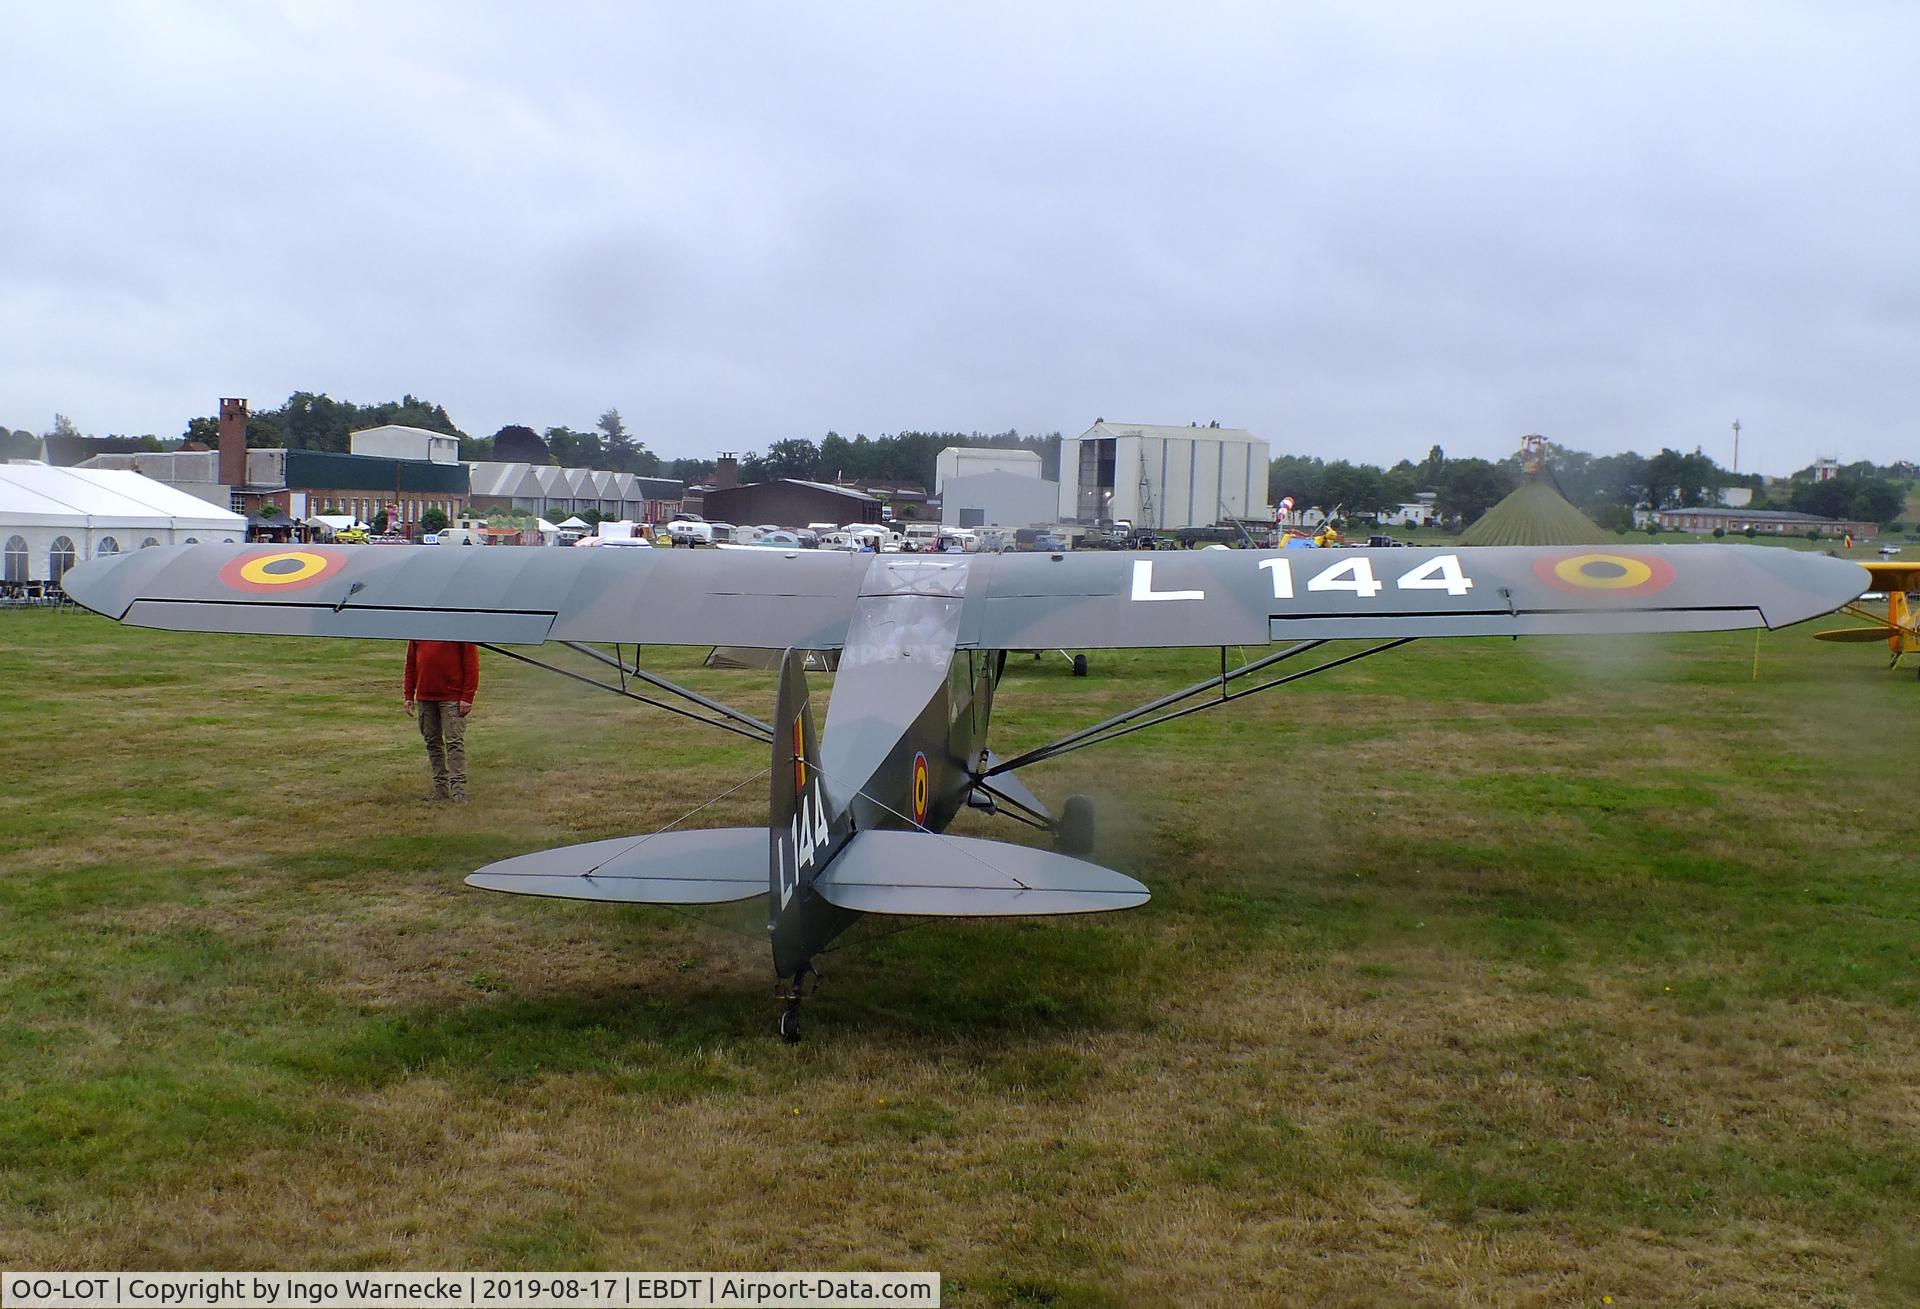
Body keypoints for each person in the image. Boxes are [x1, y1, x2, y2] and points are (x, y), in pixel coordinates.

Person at [404, 640, 479, 802]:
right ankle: (440, 789)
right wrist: (409, 694)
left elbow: (471, 663)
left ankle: (459, 789)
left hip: (452, 696)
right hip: (425, 696)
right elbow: (411, 663)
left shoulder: (460, 628)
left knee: (454, 742)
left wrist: (467, 696)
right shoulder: (418, 630)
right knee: (432, 742)